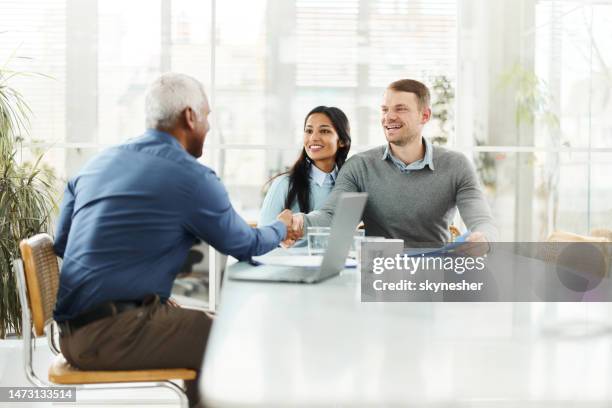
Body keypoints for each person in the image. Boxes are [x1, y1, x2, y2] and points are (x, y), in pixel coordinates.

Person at [52, 73, 297, 408]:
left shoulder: (97, 164)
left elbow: (63, 244)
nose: (209, 127)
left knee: (207, 324)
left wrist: (141, 293)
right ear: (189, 116)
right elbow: (245, 244)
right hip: (111, 336)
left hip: (71, 334)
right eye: (207, 116)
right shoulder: (190, 177)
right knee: (236, 336)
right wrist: (282, 226)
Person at [290, 79, 497, 251]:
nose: (389, 117)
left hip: (434, 276)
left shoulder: (456, 165)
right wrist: (299, 222)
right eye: (385, 109)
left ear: (424, 115)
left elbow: (483, 222)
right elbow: (330, 216)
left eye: (400, 109)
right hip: (379, 275)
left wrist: (483, 240)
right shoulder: (360, 167)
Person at [258, 106, 351, 234]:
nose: (313, 138)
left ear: (342, 141)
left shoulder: (348, 184)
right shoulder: (284, 184)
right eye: (309, 131)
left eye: (324, 131)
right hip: (290, 254)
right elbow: (264, 240)